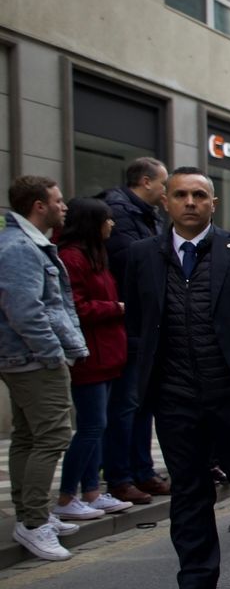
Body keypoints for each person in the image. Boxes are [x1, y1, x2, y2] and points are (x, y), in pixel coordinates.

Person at [121, 169, 230, 589]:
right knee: (189, 490)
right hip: (175, 395)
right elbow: (138, 321)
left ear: (213, 204)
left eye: (199, 195)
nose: (190, 202)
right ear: (166, 202)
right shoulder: (142, 255)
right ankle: (196, 583)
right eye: (181, 195)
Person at [1, 176, 87, 561]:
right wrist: (53, 354)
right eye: (58, 200)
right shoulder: (21, 247)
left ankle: (30, 515)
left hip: (27, 357)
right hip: (33, 359)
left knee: (28, 435)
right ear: (39, 206)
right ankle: (34, 523)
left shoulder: (28, 243)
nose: (63, 206)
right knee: (53, 435)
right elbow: (26, 311)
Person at [54, 197, 131, 524]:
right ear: (92, 223)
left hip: (107, 353)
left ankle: (91, 492)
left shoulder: (95, 255)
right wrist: (116, 308)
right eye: (107, 219)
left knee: (98, 426)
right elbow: (76, 306)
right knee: (90, 426)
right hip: (90, 356)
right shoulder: (72, 258)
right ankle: (66, 496)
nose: (112, 224)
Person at [100, 156, 170, 506]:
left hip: (147, 323)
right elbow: (134, 261)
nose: (166, 191)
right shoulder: (119, 213)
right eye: (164, 183)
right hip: (128, 324)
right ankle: (120, 476)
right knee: (126, 404)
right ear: (145, 182)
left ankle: (143, 471)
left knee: (143, 402)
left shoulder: (148, 215)